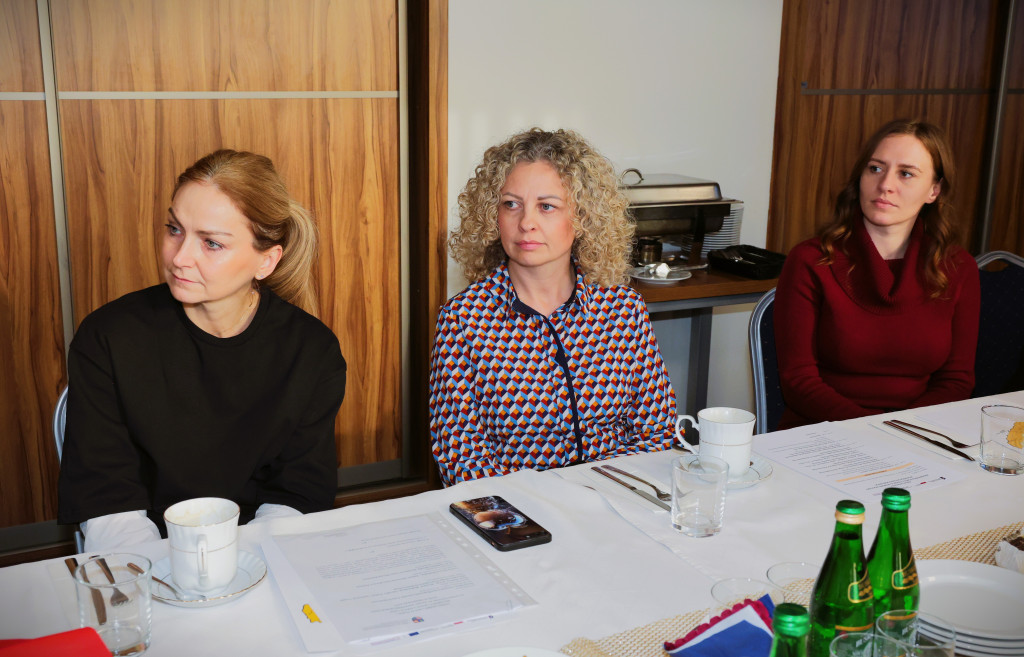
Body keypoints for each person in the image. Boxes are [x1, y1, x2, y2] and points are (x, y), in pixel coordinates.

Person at [58, 150, 347, 550]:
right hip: (147, 554)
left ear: (266, 261)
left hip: (259, 552)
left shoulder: (312, 352)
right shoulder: (108, 338)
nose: (179, 258)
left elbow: (296, 493)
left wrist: (249, 563)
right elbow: (107, 498)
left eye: (211, 243)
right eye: (174, 229)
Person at [429, 127, 677, 486]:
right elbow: (461, 457)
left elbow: (657, 433)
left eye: (546, 206)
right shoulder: (463, 320)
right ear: (492, 216)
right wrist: (538, 505)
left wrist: (599, 493)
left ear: (583, 217)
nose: (526, 223)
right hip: (519, 509)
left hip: (619, 498)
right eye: (511, 204)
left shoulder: (623, 309)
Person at [773, 119, 980, 429]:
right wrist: (877, 431)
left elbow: (956, 380)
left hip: (920, 432)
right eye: (875, 168)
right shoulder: (810, 260)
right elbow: (798, 381)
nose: (885, 185)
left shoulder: (958, 267)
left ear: (934, 190)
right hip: (824, 431)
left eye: (906, 173)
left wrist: (903, 430)